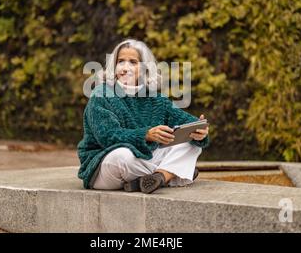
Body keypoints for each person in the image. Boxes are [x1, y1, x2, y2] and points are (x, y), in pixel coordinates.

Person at [77, 39, 210, 194]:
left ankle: (159, 177)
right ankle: (174, 173)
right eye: (121, 61)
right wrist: (146, 135)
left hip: (141, 160)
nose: (125, 67)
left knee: (190, 144)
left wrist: (200, 131)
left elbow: (186, 121)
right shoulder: (101, 94)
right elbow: (108, 136)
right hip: (104, 164)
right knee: (123, 155)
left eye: (133, 62)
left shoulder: (155, 99)